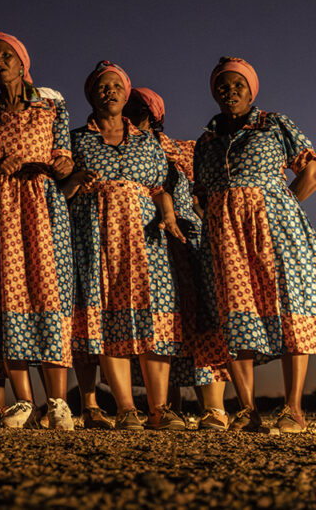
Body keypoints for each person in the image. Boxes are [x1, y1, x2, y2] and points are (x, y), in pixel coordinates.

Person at [194, 57, 316, 433]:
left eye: (238, 85)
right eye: (222, 86)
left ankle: (293, 408)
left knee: (290, 304)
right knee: (237, 312)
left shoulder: (274, 124)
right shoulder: (206, 141)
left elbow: (311, 168)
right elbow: (200, 194)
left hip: (276, 225)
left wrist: (286, 206)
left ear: (251, 90)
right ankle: (247, 410)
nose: (230, 91)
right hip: (226, 234)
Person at [64, 62, 187, 431]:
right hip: (95, 236)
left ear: (126, 92)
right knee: (110, 317)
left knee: (154, 315)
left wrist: (168, 214)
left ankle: (160, 408)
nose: (110, 91)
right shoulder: (76, 139)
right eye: (102, 87)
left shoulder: (147, 142)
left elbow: (160, 188)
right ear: (91, 95)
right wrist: (75, 181)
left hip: (144, 236)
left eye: (117, 85)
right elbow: (63, 189)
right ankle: (126, 408)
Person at [0, 27, 75, 430]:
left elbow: (63, 157)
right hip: (1, 209)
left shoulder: (51, 110)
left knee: (49, 294)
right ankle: (24, 400)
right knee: (7, 295)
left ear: (23, 63)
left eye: (5, 56)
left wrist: (63, 165)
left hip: (43, 207)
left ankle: (59, 402)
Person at [124, 86, 230, 431]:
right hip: (145, 238)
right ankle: (164, 408)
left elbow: (204, 192)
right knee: (159, 322)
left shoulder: (184, 149)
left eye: (139, 106)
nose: (131, 110)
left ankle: (213, 408)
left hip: (190, 236)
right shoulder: (119, 146)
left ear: (156, 113)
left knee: (204, 317)